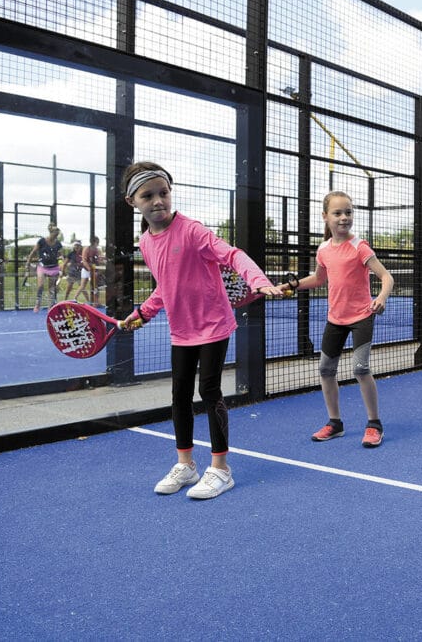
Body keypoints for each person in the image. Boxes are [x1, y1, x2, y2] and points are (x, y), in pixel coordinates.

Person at [117, 161, 284, 500]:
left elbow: (232, 255)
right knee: (179, 395)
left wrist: (259, 281)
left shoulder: (192, 231)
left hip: (214, 324)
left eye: (163, 192)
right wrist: (143, 313)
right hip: (182, 329)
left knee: (209, 391)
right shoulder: (146, 243)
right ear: (132, 201)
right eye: (148, 195)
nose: (158, 201)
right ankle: (186, 465)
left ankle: (221, 469)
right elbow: (166, 286)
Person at [278, 190, 393, 448]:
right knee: (325, 370)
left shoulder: (359, 247)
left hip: (363, 316)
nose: (344, 218)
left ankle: (374, 424)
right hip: (335, 320)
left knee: (360, 369)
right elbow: (319, 279)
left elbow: (386, 277)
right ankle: (335, 423)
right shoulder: (323, 250)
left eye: (348, 212)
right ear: (325, 217)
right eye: (337, 213)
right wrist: (292, 285)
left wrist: (381, 297)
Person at [26, 225, 63, 312]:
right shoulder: (42, 241)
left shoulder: (58, 243)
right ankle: (37, 304)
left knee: (52, 288)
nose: (56, 236)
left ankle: (51, 306)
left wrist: (61, 263)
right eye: (55, 234)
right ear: (51, 233)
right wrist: (28, 263)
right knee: (40, 286)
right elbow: (33, 252)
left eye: (57, 235)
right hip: (42, 267)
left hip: (54, 267)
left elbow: (60, 255)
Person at [75, 235, 102, 305]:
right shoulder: (86, 249)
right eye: (97, 242)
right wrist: (89, 269)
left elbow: (99, 260)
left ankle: (96, 302)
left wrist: (101, 261)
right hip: (86, 269)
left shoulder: (98, 250)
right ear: (93, 242)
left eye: (97, 242)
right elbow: (84, 260)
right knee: (82, 285)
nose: (97, 243)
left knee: (96, 286)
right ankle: (74, 298)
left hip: (94, 270)